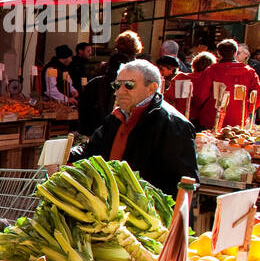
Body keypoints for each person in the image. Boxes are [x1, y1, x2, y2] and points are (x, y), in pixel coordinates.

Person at [70, 59, 197, 197]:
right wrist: (63, 154)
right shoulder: (117, 116)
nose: (120, 91)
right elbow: (91, 149)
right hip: (112, 203)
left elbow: (183, 183)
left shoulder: (173, 124)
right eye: (117, 85)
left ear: (151, 88)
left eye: (129, 85)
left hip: (144, 210)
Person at [201, 39, 260, 129]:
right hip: (239, 117)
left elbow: (202, 94)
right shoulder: (249, 72)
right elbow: (257, 95)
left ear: (218, 53)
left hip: (213, 116)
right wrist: (248, 109)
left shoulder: (211, 70)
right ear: (236, 53)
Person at [77, 49, 132, 137]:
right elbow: (84, 109)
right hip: (96, 132)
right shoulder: (97, 84)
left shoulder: (96, 82)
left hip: (97, 132)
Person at [188, 51, 217, 129]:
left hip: (181, 117)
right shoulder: (212, 82)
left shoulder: (181, 77)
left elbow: (169, 97)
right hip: (203, 119)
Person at [157, 55, 191, 119]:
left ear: (171, 69)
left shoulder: (181, 80)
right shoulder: (161, 78)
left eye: (162, 69)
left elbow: (181, 104)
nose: (159, 71)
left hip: (176, 116)